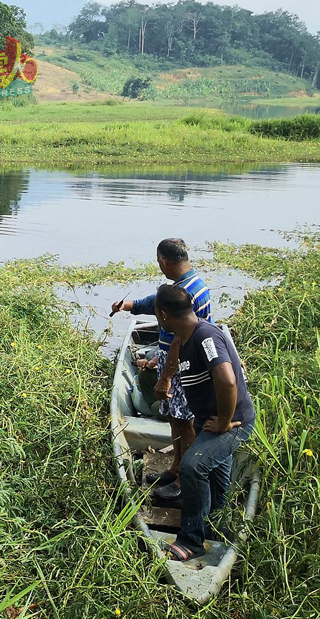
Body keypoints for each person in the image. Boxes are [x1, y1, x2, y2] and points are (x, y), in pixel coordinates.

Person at [151, 284, 254, 561]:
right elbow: (174, 349)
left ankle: (192, 540)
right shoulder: (184, 336)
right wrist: (167, 376)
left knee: (193, 465)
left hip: (234, 423)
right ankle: (214, 529)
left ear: (163, 315)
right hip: (209, 420)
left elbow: (227, 379)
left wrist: (223, 421)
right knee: (218, 480)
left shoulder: (205, 337)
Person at [111, 238, 211, 500]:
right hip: (174, 365)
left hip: (181, 368)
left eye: (159, 263)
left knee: (185, 423)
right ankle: (176, 467)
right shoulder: (191, 284)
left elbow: (180, 339)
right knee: (176, 421)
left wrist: (165, 376)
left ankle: (183, 481)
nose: (160, 267)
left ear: (164, 261)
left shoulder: (186, 293)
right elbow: (154, 303)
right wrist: (128, 305)